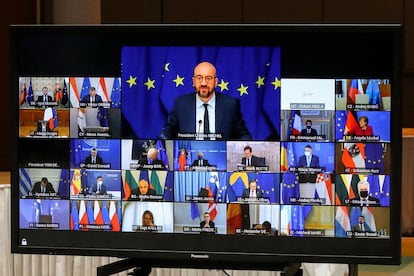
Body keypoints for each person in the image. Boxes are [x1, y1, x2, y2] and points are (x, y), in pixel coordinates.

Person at [159, 62, 252, 140]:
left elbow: (244, 136)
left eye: (208, 78)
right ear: (193, 81)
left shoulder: (230, 105)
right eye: (199, 78)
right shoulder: (181, 104)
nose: (204, 83)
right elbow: (166, 134)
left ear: (216, 82)